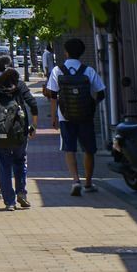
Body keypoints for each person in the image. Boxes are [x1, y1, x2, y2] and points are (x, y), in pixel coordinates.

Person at [44, 35, 108, 196]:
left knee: (69, 149)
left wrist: (54, 117)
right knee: (89, 150)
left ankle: (75, 180)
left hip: (66, 116)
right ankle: (88, 182)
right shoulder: (89, 70)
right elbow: (101, 92)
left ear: (65, 52)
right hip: (85, 116)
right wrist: (91, 105)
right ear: (81, 53)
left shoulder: (57, 70)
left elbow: (53, 95)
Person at [0, 55, 33, 210]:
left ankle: (9, 202)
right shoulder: (18, 84)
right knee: (20, 160)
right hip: (19, 130)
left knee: (4, 165)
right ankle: (21, 192)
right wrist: (33, 125)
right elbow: (32, 103)